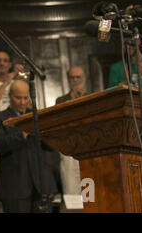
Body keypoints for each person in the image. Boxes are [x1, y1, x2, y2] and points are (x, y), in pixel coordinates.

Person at [0, 79, 58, 213]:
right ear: (10, 96)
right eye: (18, 98)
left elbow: (51, 146)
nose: (22, 102)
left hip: (42, 184)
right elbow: (1, 146)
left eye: (26, 98)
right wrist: (23, 133)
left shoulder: (37, 116)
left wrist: (42, 129)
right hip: (14, 188)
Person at [0, 50, 24, 210]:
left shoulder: (18, 83)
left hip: (16, 133)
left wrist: (17, 80)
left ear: (10, 64)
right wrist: (5, 84)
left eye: (5, 60)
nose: (2, 63)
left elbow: (26, 106)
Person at [55, 67, 87, 212]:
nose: (75, 80)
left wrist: (82, 100)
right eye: (72, 78)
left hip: (88, 148)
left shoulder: (92, 97)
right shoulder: (61, 100)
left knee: (89, 191)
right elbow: (59, 123)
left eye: (78, 77)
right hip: (69, 150)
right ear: (68, 80)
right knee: (70, 190)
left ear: (84, 78)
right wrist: (72, 100)